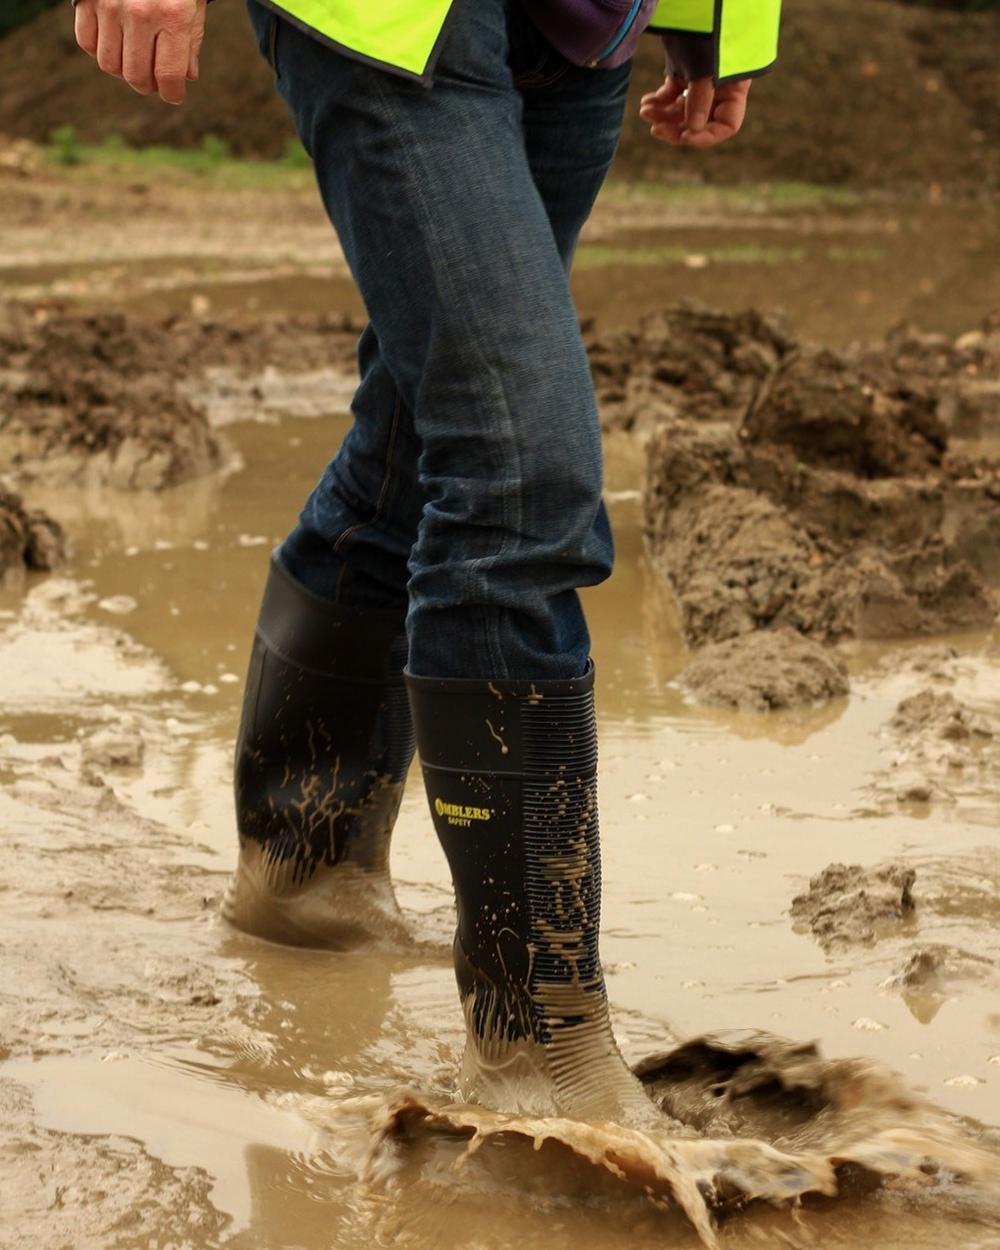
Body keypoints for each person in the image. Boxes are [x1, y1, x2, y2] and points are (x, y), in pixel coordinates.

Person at [74, 0, 781, 1127]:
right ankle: (540, 1052)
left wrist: (721, 18)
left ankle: (305, 874)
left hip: (581, 26)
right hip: (391, 17)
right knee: (520, 477)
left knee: (418, 442)